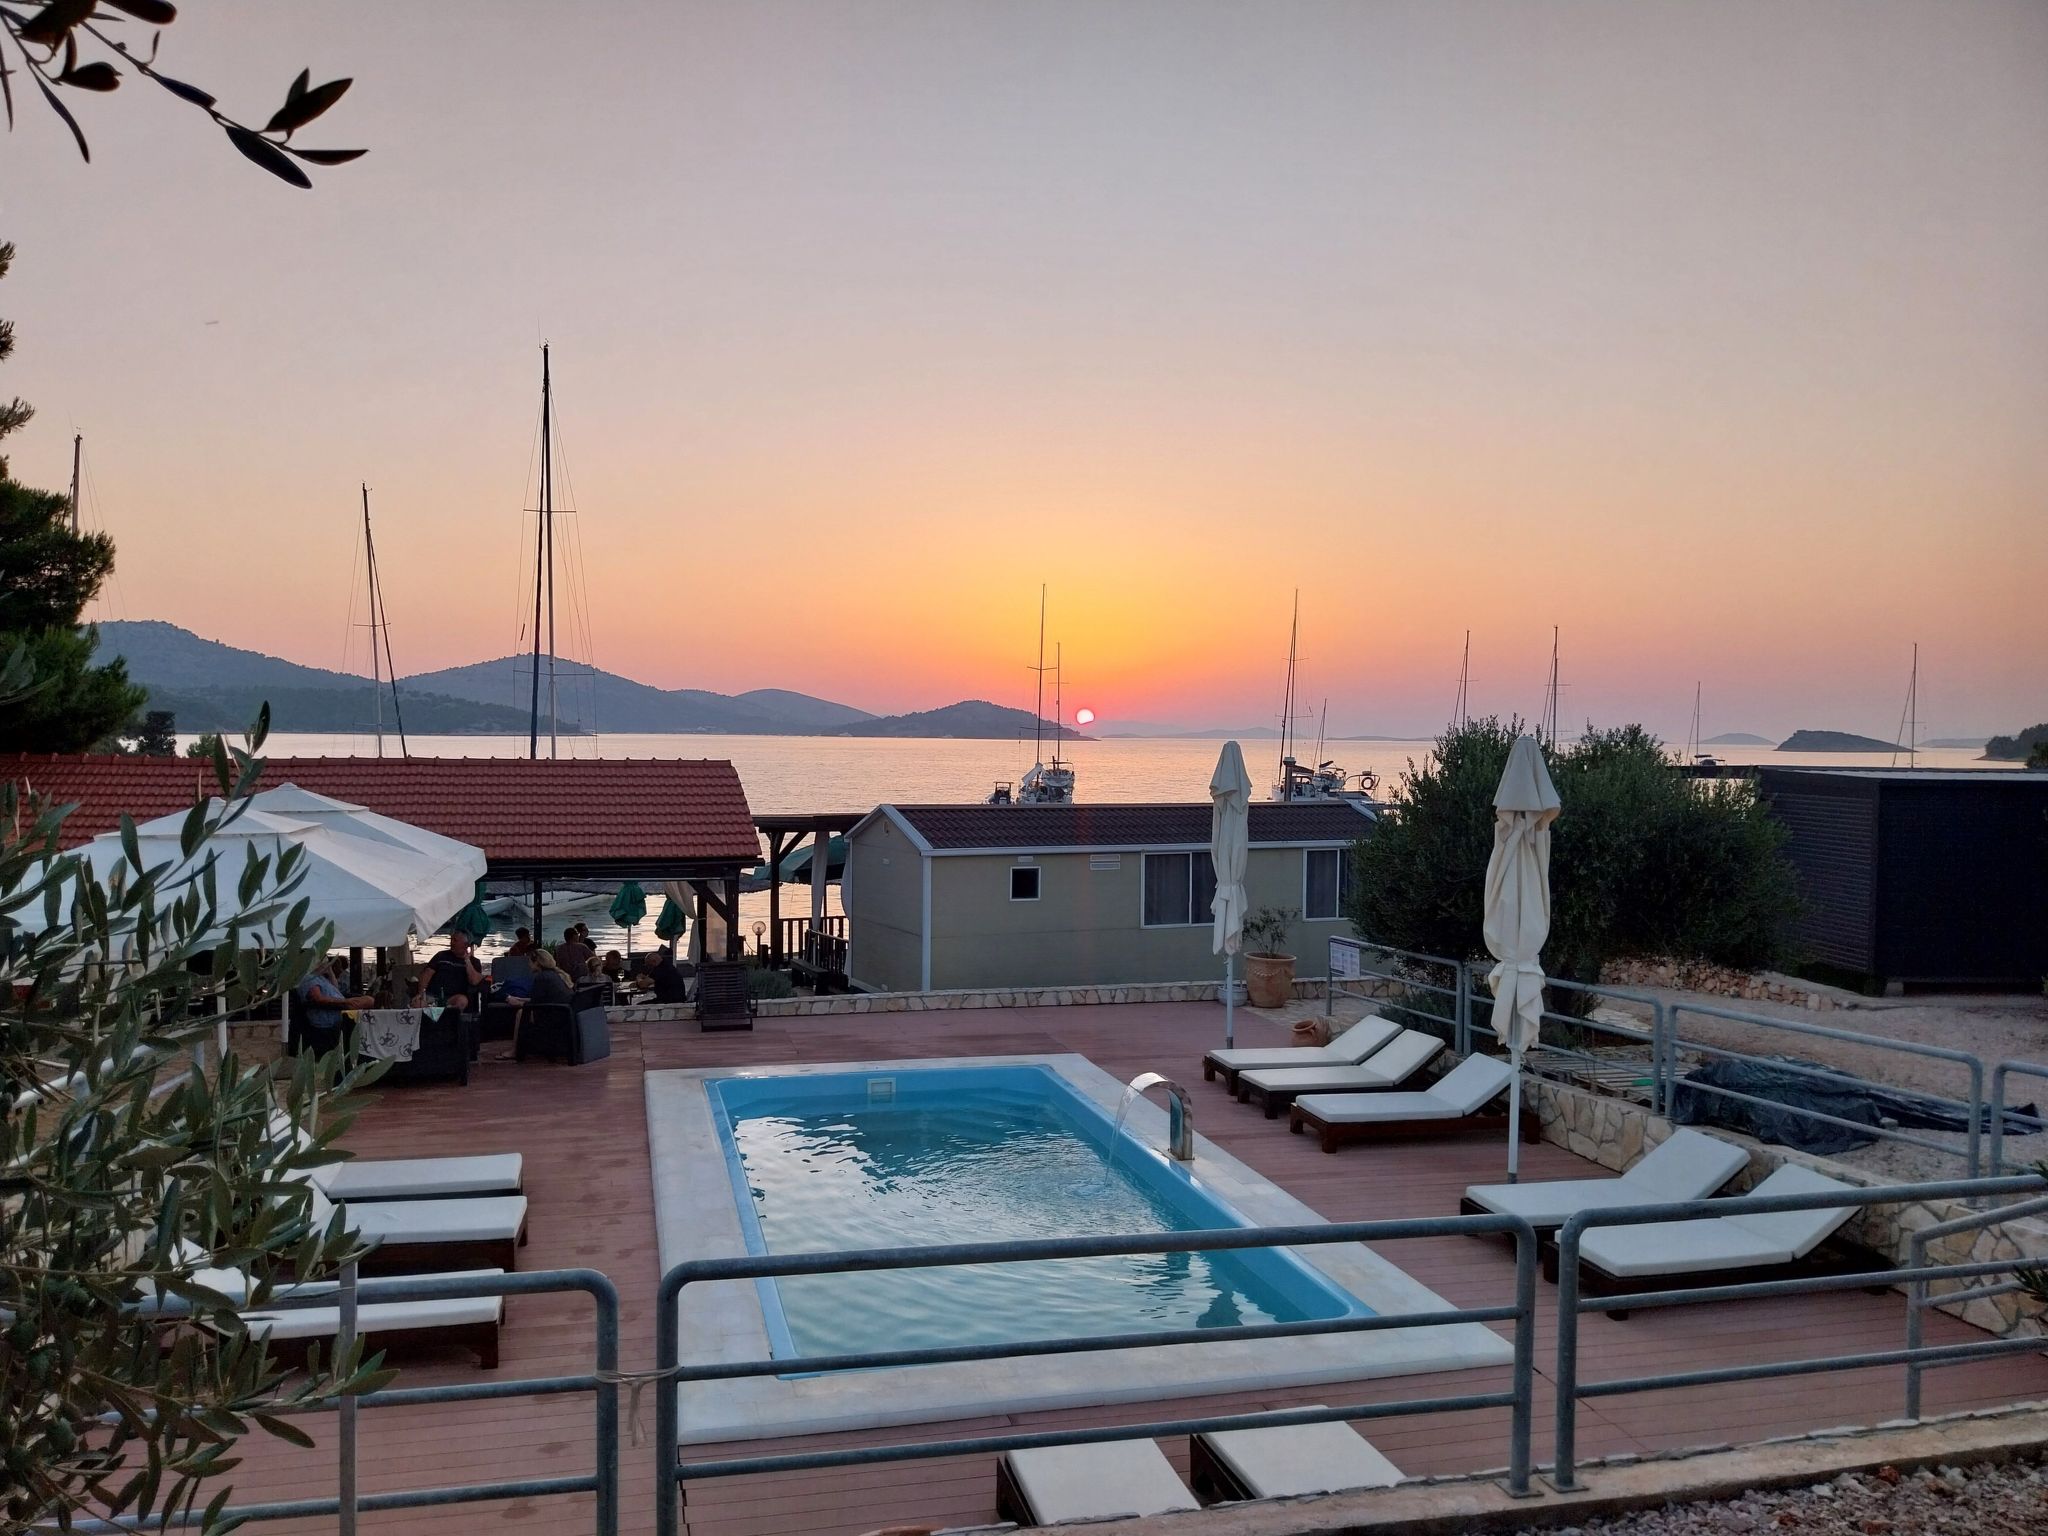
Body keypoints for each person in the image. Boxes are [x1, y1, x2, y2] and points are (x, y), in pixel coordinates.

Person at [295, 956, 373, 1055]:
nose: (326, 964)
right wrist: (345, 1003)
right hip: (329, 1020)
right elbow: (317, 998)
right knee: (369, 1002)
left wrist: (330, 971)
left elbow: (336, 989)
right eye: (325, 962)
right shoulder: (308, 978)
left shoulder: (321, 977)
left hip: (339, 1015)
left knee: (370, 1001)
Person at [414, 929, 484, 1012]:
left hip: (453, 998)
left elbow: (474, 981)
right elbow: (427, 974)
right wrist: (421, 993)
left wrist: (467, 960)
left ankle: (449, 1016)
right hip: (433, 996)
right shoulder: (441, 956)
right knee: (418, 1003)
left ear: (466, 945)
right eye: (451, 939)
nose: (451, 943)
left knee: (462, 1001)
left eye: (455, 940)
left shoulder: (474, 962)